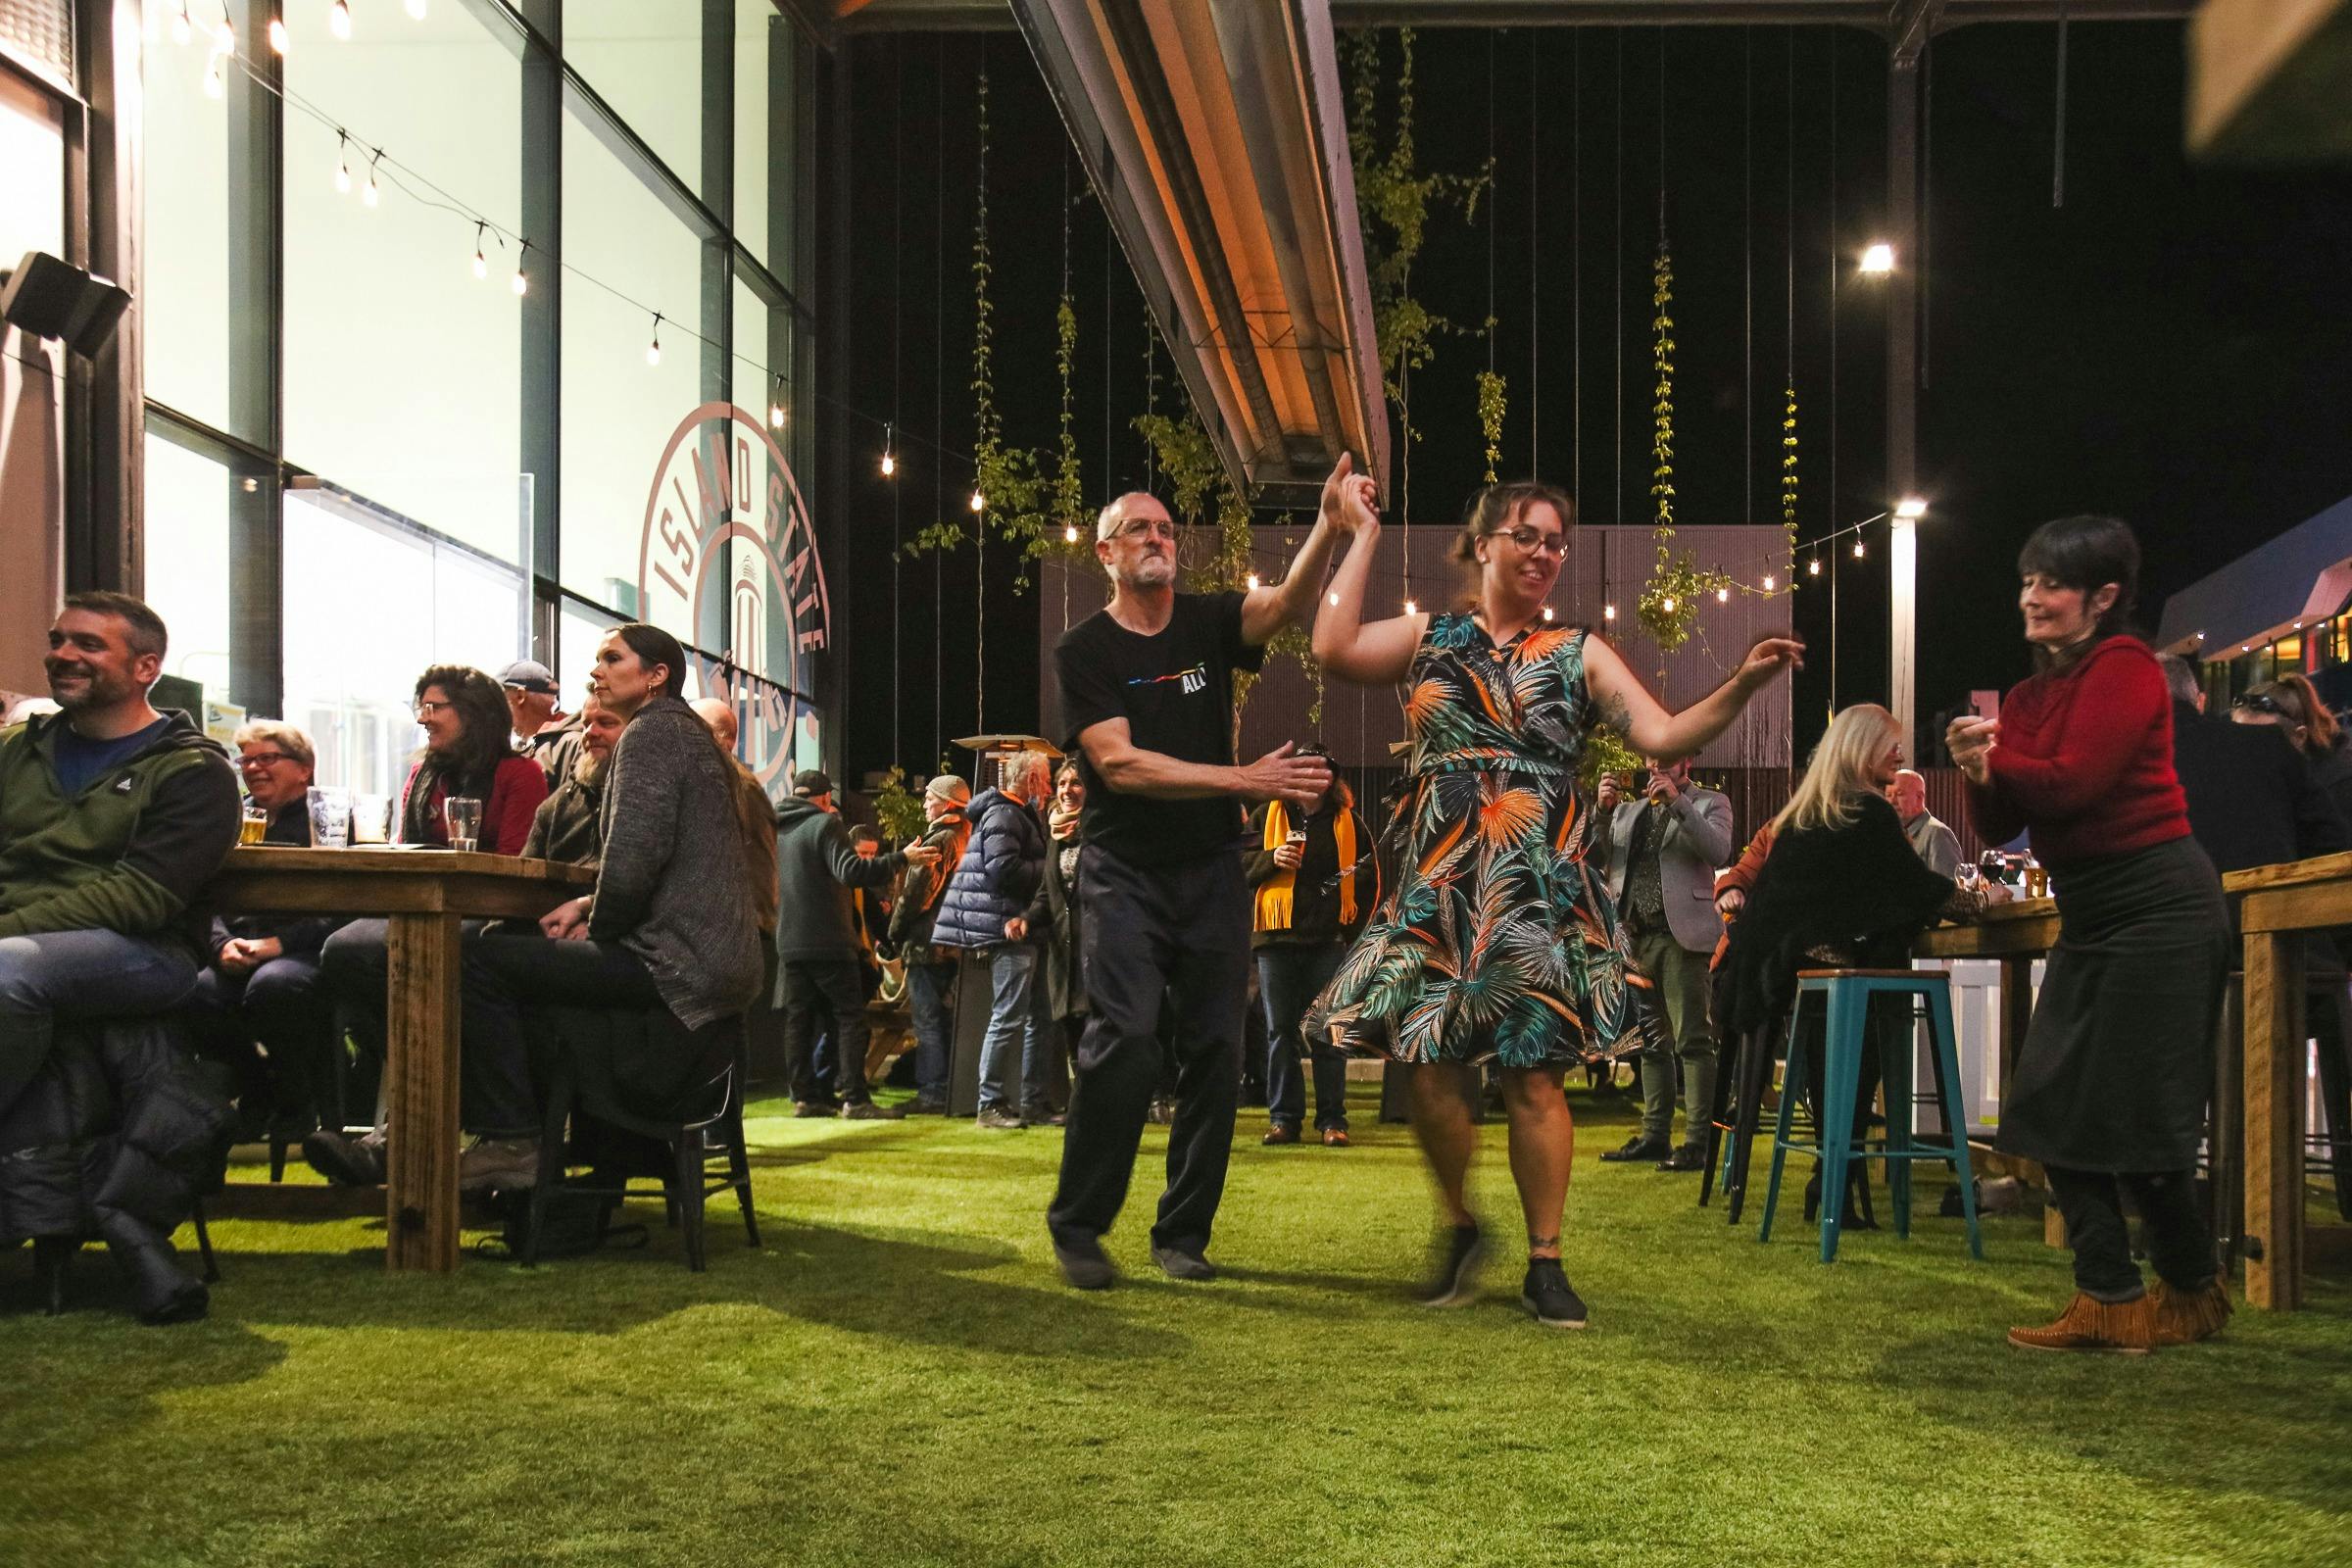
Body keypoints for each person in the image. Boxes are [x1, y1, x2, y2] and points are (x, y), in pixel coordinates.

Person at [1310, 475, 1799, 1328]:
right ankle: (1460, 1223)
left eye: (1555, 542)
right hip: (1442, 881)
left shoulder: (1577, 651)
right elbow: (1331, 645)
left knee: (1535, 1074)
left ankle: (1546, 1260)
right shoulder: (1431, 637)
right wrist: (1358, 533)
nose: (1544, 553)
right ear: (1484, 543)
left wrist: (1744, 684)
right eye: (1527, 536)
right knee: (1429, 1071)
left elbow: (1663, 735)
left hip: (1536, 883)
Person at [1045, 463, 1348, 1293]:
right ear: (1106, 553)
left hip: (1211, 870)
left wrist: (1327, 523)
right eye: (1139, 529)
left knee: (1218, 1048)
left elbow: (1285, 605)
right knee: (1128, 1040)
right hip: (1124, 874)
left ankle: (1182, 1234)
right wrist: (1245, 781)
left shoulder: (1210, 623)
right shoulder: (1086, 650)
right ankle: (1078, 1224)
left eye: (1167, 529)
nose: (1158, 539)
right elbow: (1121, 765)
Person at [1949, 515, 2232, 1353]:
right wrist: (1977, 770)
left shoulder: (2127, 667)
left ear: (2103, 597)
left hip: (2162, 907)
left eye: (2053, 584)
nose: (2032, 598)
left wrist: (1997, 759)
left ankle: (2176, 1292)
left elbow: (2073, 784)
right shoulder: (2033, 696)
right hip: (2098, 912)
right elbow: (2008, 822)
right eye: (2028, 581)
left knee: (2139, 1121)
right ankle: (2126, 1294)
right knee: (2043, 1105)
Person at [1718, 706, 1982, 1218]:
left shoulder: (1806, 815)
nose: (1901, 755)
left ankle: (1830, 1171)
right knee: (1877, 1010)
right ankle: (1836, 1172)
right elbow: (1911, 886)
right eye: (1891, 746)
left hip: (1772, 977)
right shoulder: (1866, 814)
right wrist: (1977, 901)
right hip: (1811, 976)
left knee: (1846, 1015)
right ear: (1861, 749)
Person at [0, 593, 242, 1115]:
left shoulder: (194, 770)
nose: (64, 655)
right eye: (58, 641)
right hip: (20, 934)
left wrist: (7, 927)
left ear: (145, 667)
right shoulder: (17, 750)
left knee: (7, 970)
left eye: (89, 645)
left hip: (145, 950)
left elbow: (139, 899)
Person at [184, 719, 341, 1142]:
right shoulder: (229, 816)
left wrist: (280, 944)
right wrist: (220, 945)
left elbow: (345, 905)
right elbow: (202, 891)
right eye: (246, 760)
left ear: (304, 768)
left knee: (275, 987)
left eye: (267, 758)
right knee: (193, 992)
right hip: (237, 947)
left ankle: (296, 1101)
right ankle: (259, 1085)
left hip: (304, 950)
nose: (253, 768)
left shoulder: (328, 822)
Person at [1592, 756, 1734, 1170]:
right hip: (1636, 935)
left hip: (1682, 936)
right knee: (1650, 1044)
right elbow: (1599, 859)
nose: (1656, 766)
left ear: (1686, 760)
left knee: (1692, 1039)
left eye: (1666, 758)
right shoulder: (1629, 811)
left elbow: (1717, 849)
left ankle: (1698, 1142)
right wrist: (1601, 813)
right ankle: (1655, 1135)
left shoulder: (1711, 802)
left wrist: (1678, 803)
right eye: (1652, 759)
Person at [774, 768, 934, 1119]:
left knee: (799, 1021)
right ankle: (855, 1099)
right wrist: (901, 858)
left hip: (788, 941)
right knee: (850, 1018)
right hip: (829, 940)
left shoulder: (778, 829)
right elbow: (851, 872)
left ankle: (806, 1096)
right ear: (823, 799)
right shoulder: (826, 824)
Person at [1245, 759, 1375, 1148]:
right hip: (1275, 941)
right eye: (1305, 770)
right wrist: (1272, 859)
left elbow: (1368, 876)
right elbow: (1236, 864)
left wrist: (1348, 933)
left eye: (1322, 771)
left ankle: (1333, 1121)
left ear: (1334, 778)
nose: (1313, 778)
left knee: (1329, 1034)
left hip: (1327, 945)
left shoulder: (1351, 823)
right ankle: (1284, 1120)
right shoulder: (1265, 815)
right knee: (1279, 1033)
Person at [933, 751, 1054, 1129]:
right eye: (1046, 778)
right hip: (1009, 928)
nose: (1050, 786)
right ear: (1030, 779)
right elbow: (1003, 870)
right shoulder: (1005, 814)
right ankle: (991, 1103)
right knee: (1009, 1016)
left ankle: (1032, 1101)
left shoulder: (1014, 813)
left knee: (1037, 1018)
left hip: (1022, 927)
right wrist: (1049, 869)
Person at [2160, 656, 2346, 880]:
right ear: (2198, 701)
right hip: (2276, 907)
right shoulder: (2270, 743)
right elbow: (2334, 845)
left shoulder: (2138, 766)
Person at [396, 664, 549, 853]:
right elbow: (402, 858)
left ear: (472, 712)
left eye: (433, 707)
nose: (422, 719)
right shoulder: (419, 777)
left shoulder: (520, 774)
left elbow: (515, 867)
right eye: (422, 709)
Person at [889, 775, 973, 1115]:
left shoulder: (939, 840)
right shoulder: (965, 836)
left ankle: (934, 1092)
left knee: (928, 1023)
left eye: (930, 798)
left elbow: (917, 896)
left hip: (926, 944)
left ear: (947, 804)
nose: (924, 804)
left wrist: (894, 930)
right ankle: (947, 1089)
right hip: (950, 943)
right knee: (945, 1021)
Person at [690, 696, 784, 991]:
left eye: (692, 728)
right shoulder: (719, 780)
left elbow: (756, 871)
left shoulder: (734, 786)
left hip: (734, 938)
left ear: (721, 739)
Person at [1024, 761, 1089, 1122]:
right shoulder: (1055, 837)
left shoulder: (1101, 832)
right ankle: (1084, 1111)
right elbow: (1047, 895)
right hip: (1063, 956)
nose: (1066, 790)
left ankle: (1103, 1107)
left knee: (1101, 1038)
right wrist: (1025, 920)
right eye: (1061, 783)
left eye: (1076, 783)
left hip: (1098, 953)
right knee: (1074, 1038)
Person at [2231, 672, 2352, 825]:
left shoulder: (2340, 789)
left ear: (2300, 736)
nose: (2248, 753)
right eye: (2239, 739)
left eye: (2262, 742)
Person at [519, 694, 625, 866]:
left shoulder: (652, 798)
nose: (590, 732)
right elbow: (521, 878)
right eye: (585, 725)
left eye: (606, 723)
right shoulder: (558, 805)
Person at [504, 659, 582, 785]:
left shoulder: (572, 743)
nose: (498, 710)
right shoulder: (523, 747)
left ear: (520, 696)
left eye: (502, 700)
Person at [1887, 768, 1965, 878]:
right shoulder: (1893, 834)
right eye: (1888, 795)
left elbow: (1948, 889)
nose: (1891, 801)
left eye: (1899, 794)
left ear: (1919, 798)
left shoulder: (1937, 833)